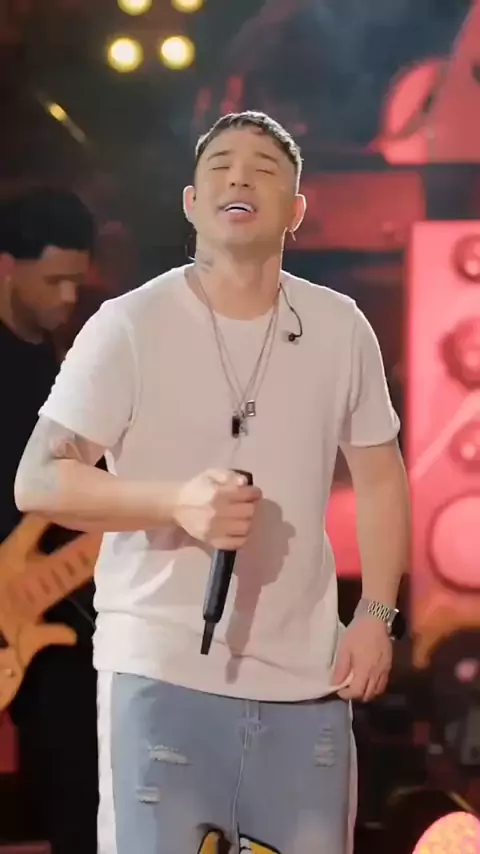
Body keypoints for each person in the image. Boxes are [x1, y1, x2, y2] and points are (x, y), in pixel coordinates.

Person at [15, 113, 411, 854]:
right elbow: (38, 480)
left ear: (297, 211)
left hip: (308, 682)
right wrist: (176, 502)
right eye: (221, 164)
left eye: (264, 169)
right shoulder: (128, 325)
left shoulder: (340, 327)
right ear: (192, 203)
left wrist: (376, 613)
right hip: (160, 672)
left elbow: (382, 475)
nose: (240, 177)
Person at [0, 187, 98, 854]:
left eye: (76, 281)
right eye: (53, 280)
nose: (67, 297)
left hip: (52, 618)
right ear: (8, 266)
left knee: (79, 785)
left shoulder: (56, 364)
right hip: (16, 598)